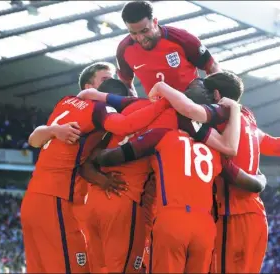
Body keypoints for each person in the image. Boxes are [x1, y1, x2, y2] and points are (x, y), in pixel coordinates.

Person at [149, 71, 280, 273]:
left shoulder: (219, 115)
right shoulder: (251, 126)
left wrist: (161, 87)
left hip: (230, 217)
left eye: (205, 91)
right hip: (257, 218)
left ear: (216, 95)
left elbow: (190, 110)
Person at [22, 69, 170, 273]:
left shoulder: (66, 101)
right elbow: (126, 125)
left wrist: (52, 130)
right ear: (89, 88)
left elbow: (33, 140)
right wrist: (168, 101)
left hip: (37, 197)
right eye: (107, 78)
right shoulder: (99, 111)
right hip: (57, 198)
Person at [84, 120, 266, 273]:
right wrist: (261, 177)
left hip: (172, 218)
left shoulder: (163, 135)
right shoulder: (216, 150)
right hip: (204, 225)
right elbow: (252, 184)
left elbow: (111, 157)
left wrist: (97, 154)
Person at [116, 1, 222, 96]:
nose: (140, 38)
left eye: (144, 31)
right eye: (133, 33)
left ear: (155, 22)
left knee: (198, 93)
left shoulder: (182, 39)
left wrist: (219, 102)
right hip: (158, 109)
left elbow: (212, 67)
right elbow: (126, 84)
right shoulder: (124, 50)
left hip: (193, 103)